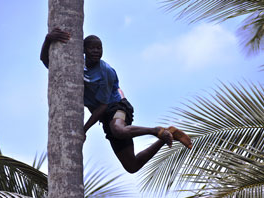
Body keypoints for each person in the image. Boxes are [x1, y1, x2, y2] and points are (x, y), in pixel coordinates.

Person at [40, 28, 192, 173]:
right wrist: (48, 40)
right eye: (92, 48)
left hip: (116, 106)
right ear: (83, 50)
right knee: (132, 166)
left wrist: (83, 130)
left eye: (99, 48)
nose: (96, 51)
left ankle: (156, 130)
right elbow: (45, 59)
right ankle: (168, 133)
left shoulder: (106, 71)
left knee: (118, 130)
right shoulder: (75, 66)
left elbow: (103, 106)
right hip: (105, 117)